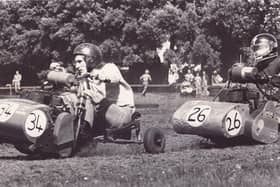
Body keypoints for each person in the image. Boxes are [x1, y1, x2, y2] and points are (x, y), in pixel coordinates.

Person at [72, 43, 135, 134]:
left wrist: (94, 75)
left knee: (93, 96)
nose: (76, 66)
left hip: (121, 113)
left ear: (91, 60)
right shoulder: (84, 77)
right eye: (75, 62)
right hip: (102, 113)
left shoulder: (109, 67)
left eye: (79, 62)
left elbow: (113, 78)